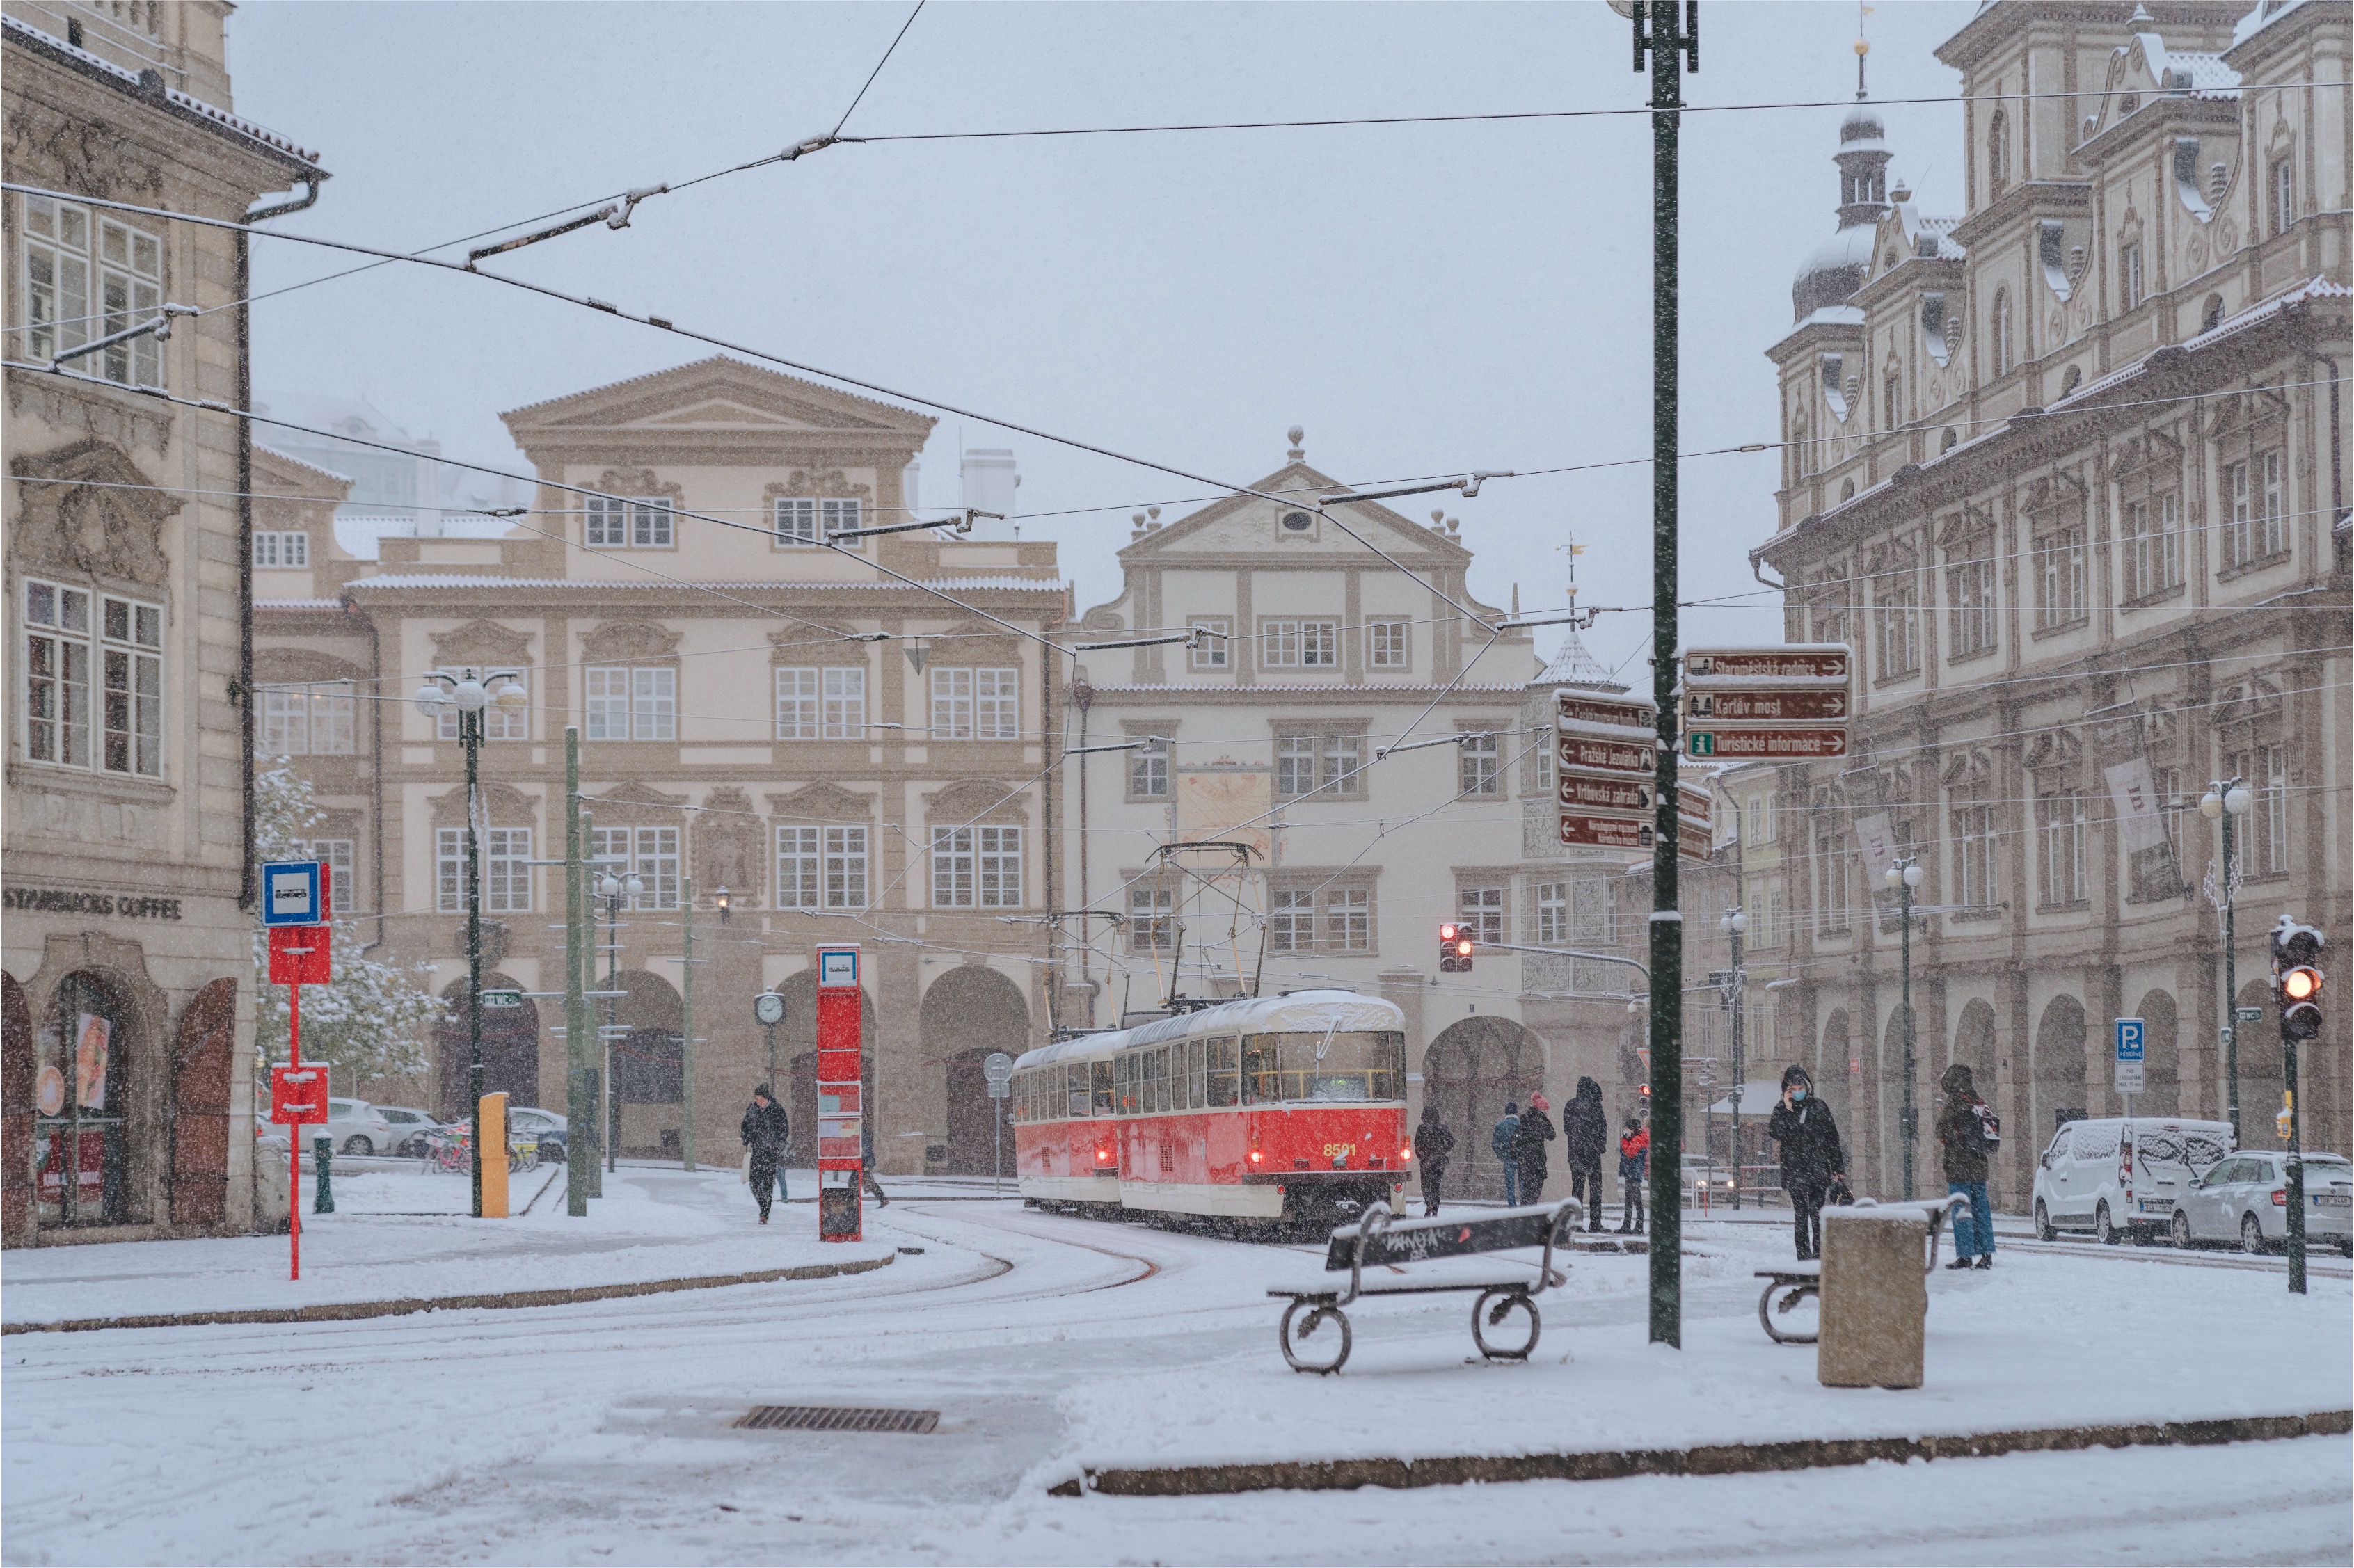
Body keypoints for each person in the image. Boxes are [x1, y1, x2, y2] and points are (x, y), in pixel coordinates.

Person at [1767, 1065, 1846, 1260]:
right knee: (1801, 1215)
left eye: (1800, 1088)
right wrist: (1787, 1109)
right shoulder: (1781, 1109)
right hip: (1795, 1171)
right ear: (1786, 1091)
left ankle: (1819, 1254)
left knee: (1817, 1213)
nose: (1797, 1092)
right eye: (1792, 1089)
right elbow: (1777, 1133)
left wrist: (1838, 1167)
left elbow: (1832, 1139)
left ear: (1807, 1087)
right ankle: (1803, 1256)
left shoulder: (1819, 1107)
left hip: (1818, 1169)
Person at [1937, 1062, 1996, 1270]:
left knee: (1961, 1210)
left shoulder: (1954, 1101)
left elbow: (1941, 1130)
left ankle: (1965, 1255)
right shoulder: (1978, 1100)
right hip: (1979, 1164)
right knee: (1981, 1209)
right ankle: (1986, 1253)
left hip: (1958, 1165)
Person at [1562, 1076, 1609, 1232]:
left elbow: (1567, 1129)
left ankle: (1577, 1223)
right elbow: (1602, 1128)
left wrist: (1578, 1140)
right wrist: (1599, 1146)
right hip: (1592, 1154)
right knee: (1595, 1189)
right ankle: (1595, 1223)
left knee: (1577, 1190)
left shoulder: (1570, 1105)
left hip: (1575, 1154)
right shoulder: (1596, 1106)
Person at [740, 1085, 789, 1224]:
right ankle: (763, 1206)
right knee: (754, 1184)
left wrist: (776, 1147)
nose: (758, 1102)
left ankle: (764, 1214)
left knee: (767, 1184)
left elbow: (784, 1131)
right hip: (757, 1151)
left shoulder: (777, 1110)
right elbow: (744, 1125)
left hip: (770, 1153)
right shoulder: (752, 1109)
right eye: (756, 1099)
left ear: (767, 1098)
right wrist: (746, 1138)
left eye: (760, 1099)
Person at [1513, 1091, 1557, 1206]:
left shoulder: (1523, 1118)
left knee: (1526, 1194)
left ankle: (1524, 1217)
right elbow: (1552, 1135)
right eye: (1546, 1110)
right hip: (1537, 1162)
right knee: (1535, 1194)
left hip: (1525, 1163)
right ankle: (1530, 1218)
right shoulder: (1542, 1120)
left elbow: (1516, 1139)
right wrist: (1546, 1120)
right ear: (1542, 1109)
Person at [1414, 1104, 1456, 1216]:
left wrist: (1422, 1155)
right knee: (1436, 1185)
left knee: (1426, 1185)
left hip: (1426, 1161)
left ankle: (1429, 1204)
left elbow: (1417, 1144)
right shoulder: (1443, 1128)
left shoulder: (1422, 1129)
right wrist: (1442, 1150)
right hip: (1439, 1161)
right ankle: (1435, 1208)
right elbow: (1452, 1142)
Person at [1617, 1115, 1651, 1233]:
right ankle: (1627, 1225)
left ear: (1633, 1129)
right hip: (1630, 1172)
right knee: (1629, 1199)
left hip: (1634, 1174)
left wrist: (1625, 1140)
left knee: (1636, 1199)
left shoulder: (1639, 1139)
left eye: (1627, 1128)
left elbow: (1629, 1153)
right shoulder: (1634, 1139)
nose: (1626, 1130)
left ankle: (1638, 1226)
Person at [1490, 1102, 1523, 1206]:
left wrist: (1502, 1156)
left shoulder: (1500, 1126)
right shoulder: (1522, 1125)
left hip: (1507, 1158)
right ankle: (1525, 1209)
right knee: (1523, 1185)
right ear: (1516, 1112)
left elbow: (1494, 1145)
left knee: (1510, 1187)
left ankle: (1512, 1208)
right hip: (1521, 1158)